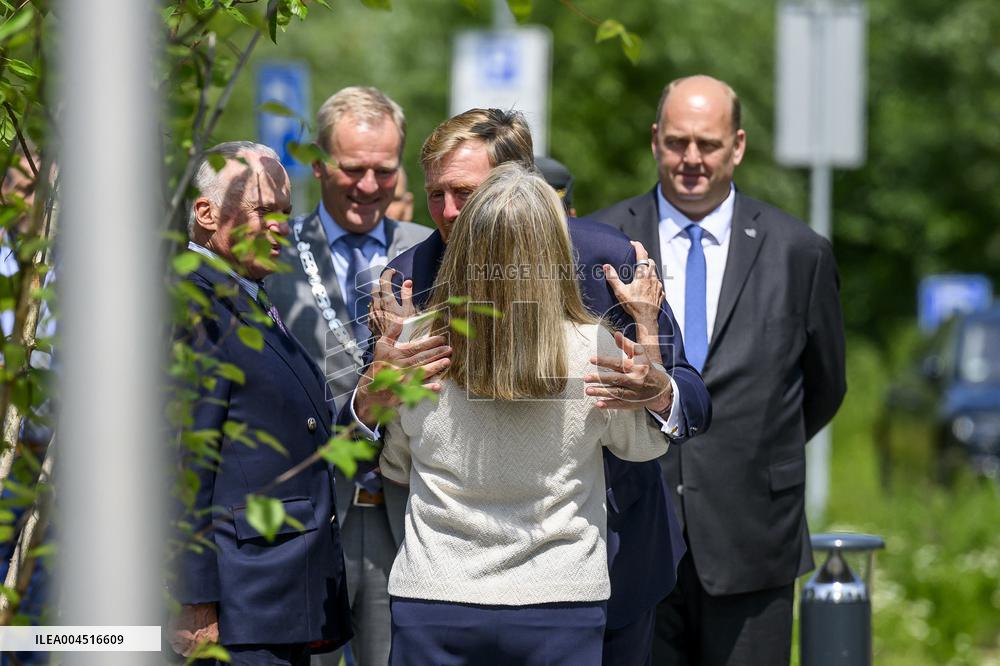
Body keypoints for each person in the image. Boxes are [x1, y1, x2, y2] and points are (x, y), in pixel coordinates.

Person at [350, 108, 712, 666]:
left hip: (608, 563)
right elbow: (376, 430)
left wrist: (657, 391)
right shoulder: (408, 279)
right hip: (452, 583)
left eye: (465, 193)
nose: (448, 214)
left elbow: (687, 393)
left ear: (518, 185)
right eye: (436, 194)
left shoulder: (606, 260)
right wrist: (370, 401)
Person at [586, 75, 847, 665]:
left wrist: (752, 449)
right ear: (655, 141)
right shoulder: (602, 243)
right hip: (631, 532)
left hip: (754, 533)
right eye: (678, 142)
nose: (692, 160)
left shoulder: (798, 251)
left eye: (708, 144)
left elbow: (825, 385)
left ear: (738, 146)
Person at [265, 86, 431, 666]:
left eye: (383, 171)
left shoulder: (434, 253)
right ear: (317, 164)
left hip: (408, 515)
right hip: (307, 514)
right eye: (352, 168)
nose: (367, 186)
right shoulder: (274, 255)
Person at [172, 141, 352, 665]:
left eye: (285, 213)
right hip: (234, 609)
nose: (280, 227)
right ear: (206, 213)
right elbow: (182, 463)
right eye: (262, 210)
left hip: (273, 600)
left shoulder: (243, 296)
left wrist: (372, 399)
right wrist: (194, 599)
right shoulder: (194, 305)